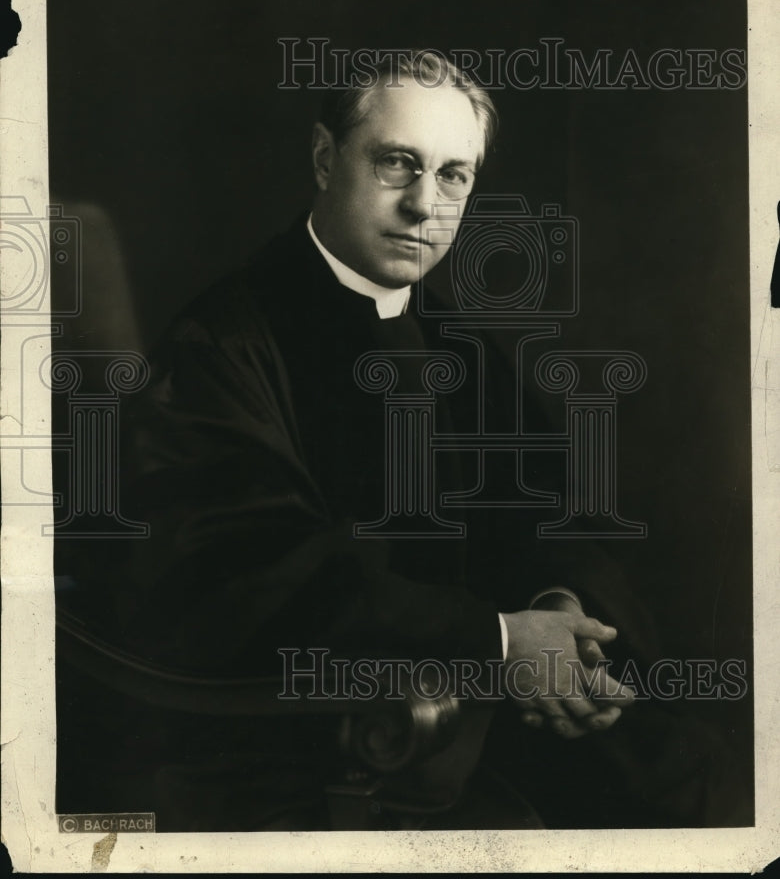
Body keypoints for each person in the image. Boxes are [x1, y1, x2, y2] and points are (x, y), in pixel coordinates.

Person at [55, 50, 747, 831]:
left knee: (705, 787)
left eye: (453, 175)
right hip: (323, 733)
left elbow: (549, 514)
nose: (424, 205)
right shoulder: (223, 345)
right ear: (326, 159)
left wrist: (561, 616)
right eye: (397, 164)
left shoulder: (456, 340)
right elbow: (245, 573)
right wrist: (500, 642)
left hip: (487, 706)